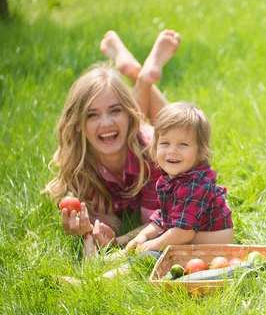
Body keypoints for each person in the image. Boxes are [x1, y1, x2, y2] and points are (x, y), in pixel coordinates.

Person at [43, 30, 180, 255]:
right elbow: (109, 217)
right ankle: (137, 73)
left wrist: (120, 242)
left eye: (115, 111)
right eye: (92, 115)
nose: (105, 123)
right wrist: (93, 227)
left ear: (130, 114)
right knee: (123, 126)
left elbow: (157, 222)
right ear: (78, 123)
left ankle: (143, 79)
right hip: (130, 132)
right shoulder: (80, 163)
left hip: (144, 139)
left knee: (177, 130)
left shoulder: (153, 154)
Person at [81, 102, 233, 281]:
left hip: (211, 249)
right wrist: (144, 235)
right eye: (165, 143)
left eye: (183, 144)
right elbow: (166, 217)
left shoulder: (194, 184)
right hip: (188, 239)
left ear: (200, 151)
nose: (172, 151)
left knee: (150, 258)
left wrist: (152, 244)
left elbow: (183, 232)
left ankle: (97, 282)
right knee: (151, 244)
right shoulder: (173, 178)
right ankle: (106, 261)